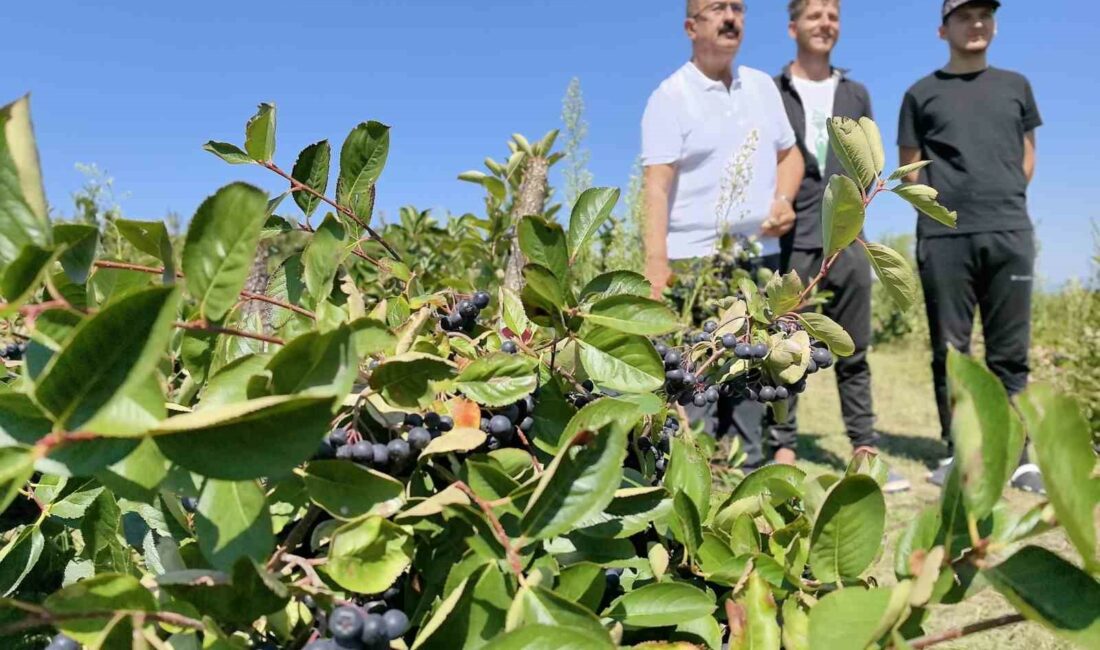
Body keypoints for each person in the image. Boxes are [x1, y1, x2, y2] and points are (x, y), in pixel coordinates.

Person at [641, 0, 804, 467]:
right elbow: (656, 186)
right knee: (698, 382)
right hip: (696, 259)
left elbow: (789, 157)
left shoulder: (761, 87)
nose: (731, 16)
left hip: (760, 257)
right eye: (718, 8)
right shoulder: (669, 97)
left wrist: (784, 200)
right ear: (692, 27)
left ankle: (745, 484)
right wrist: (656, 264)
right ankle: (694, 480)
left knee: (753, 377)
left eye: (739, 7)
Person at [898, 0, 1044, 492]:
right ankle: (958, 449)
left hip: (1009, 232)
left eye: (984, 14)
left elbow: (1027, 157)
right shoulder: (920, 94)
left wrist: (1000, 197)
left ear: (995, 25)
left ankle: (1019, 457)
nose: (976, 22)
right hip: (944, 238)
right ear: (943, 30)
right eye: (963, 15)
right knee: (950, 351)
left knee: (1010, 354)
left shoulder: (1016, 86)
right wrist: (944, 216)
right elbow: (910, 169)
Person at [772, 0, 909, 493]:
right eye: (814, 14)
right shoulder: (772, 91)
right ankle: (783, 446)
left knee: (855, 348)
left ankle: (864, 447)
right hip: (793, 237)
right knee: (785, 346)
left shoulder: (856, 92)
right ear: (793, 27)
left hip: (849, 237)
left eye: (833, 14)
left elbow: (871, 166)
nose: (825, 23)